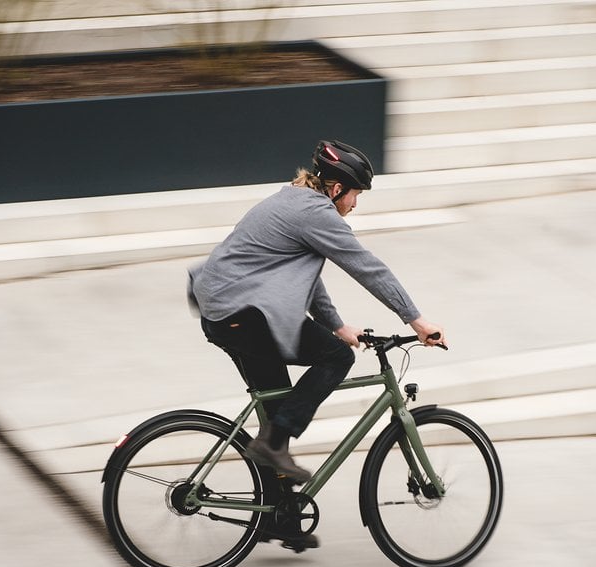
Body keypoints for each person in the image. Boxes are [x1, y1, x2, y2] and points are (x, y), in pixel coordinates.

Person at [188, 139, 446, 490]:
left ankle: (278, 516)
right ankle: (274, 443)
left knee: (278, 411)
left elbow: (303, 277)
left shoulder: (294, 200)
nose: (355, 204)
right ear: (337, 188)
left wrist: (336, 324)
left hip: (226, 312)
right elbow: (368, 268)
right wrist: (416, 320)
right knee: (335, 358)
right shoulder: (315, 213)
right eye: (356, 195)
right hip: (242, 314)